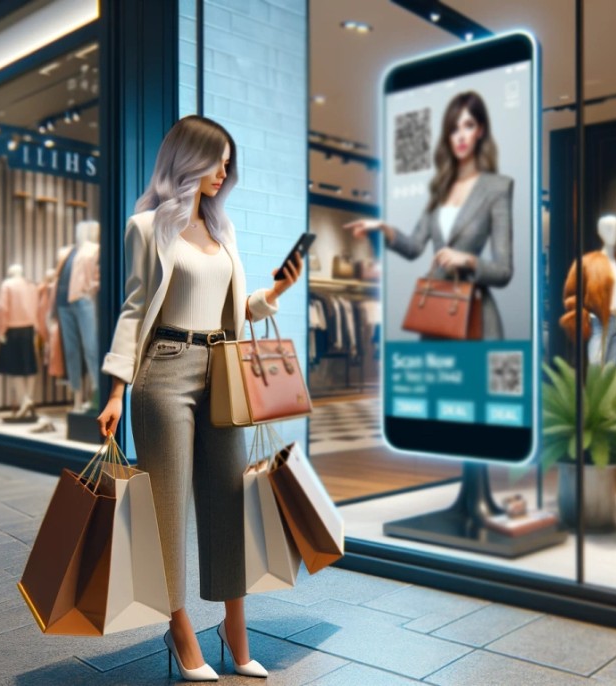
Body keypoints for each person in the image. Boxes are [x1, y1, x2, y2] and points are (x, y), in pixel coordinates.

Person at [96, 115, 301, 681]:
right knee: (166, 509)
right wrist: (115, 390)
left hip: (222, 368)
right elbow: (134, 311)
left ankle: (235, 629)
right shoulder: (146, 228)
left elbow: (231, 310)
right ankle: (180, 627)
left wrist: (276, 290)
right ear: (188, 159)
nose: (224, 172)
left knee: (228, 501)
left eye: (229, 163)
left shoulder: (223, 231)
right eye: (217, 160)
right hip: (163, 370)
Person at [345, 90, 514, 339]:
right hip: (436, 311)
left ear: (480, 130)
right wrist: (383, 228)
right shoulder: (440, 188)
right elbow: (413, 246)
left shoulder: (498, 187)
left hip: (474, 316)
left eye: (468, 125)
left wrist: (466, 260)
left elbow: (503, 271)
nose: (461, 136)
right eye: (453, 129)